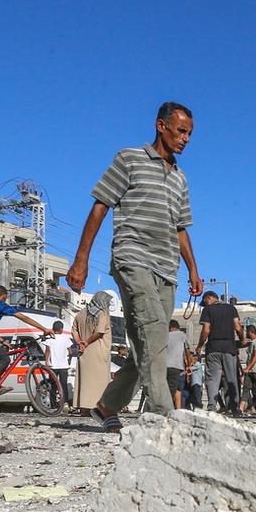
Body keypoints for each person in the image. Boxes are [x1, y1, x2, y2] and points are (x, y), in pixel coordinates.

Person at [67, 102, 203, 431]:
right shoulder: (129, 159)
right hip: (132, 257)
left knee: (147, 344)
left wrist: (194, 270)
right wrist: (81, 259)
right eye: (181, 130)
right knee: (155, 330)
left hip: (167, 269)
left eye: (190, 133)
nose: (186, 138)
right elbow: (100, 205)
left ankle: (106, 405)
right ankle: (162, 419)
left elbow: (180, 228)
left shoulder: (180, 179)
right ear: (161, 126)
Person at [196, 290, 245, 416]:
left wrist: (199, 346)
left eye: (205, 301)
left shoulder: (208, 310)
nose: (205, 304)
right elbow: (238, 327)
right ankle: (235, 408)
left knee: (212, 378)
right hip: (229, 347)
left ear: (209, 297)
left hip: (213, 348)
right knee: (232, 378)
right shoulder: (231, 308)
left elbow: (206, 330)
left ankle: (212, 407)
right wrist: (243, 340)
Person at [71, 291, 113, 413]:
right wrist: (87, 342)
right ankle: (97, 409)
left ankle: (84, 409)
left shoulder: (80, 313)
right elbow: (99, 332)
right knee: (99, 382)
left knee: (84, 382)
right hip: (98, 352)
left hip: (83, 353)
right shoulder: (102, 314)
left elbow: (74, 331)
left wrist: (80, 342)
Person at [42, 320, 75, 409]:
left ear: (53, 328)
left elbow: (47, 351)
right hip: (64, 366)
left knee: (53, 385)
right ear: (61, 329)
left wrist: (47, 362)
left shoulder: (50, 339)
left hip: (53, 366)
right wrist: (69, 360)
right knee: (63, 384)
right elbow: (70, 352)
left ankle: (53, 404)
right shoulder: (66, 338)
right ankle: (65, 403)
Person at [165, 320, 192, 410]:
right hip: (177, 366)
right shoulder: (182, 335)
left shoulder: (165, 335)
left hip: (166, 366)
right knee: (176, 390)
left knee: (175, 389)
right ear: (177, 327)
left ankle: (177, 410)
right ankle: (173, 410)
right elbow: (187, 351)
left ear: (170, 327)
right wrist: (189, 365)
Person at [241, 324, 256, 415]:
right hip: (250, 371)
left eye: (246, 332)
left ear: (250, 332)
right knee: (246, 389)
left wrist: (248, 368)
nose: (246, 334)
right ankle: (241, 408)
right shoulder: (252, 342)